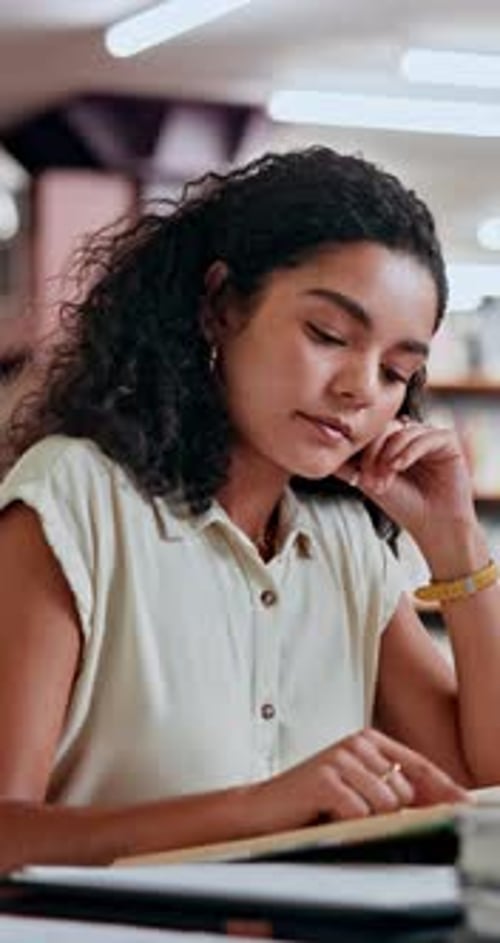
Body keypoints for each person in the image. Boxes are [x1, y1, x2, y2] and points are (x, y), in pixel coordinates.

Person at [0, 144, 499, 873]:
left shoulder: (343, 541)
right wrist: (256, 808)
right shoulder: (75, 498)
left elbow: (483, 784)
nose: (361, 388)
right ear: (220, 307)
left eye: (398, 372)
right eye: (328, 335)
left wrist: (458, 545)